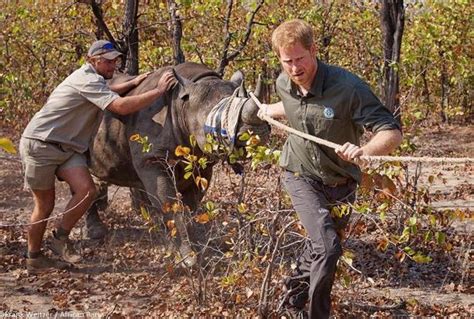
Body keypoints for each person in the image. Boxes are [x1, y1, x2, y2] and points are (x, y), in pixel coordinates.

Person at [259, 20, 403, 318]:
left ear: (314, 50)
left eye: (300, 59)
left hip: (341, 181)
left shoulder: (348, 87)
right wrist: (265, 111)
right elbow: (292, 105)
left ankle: (292, 300)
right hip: (299, 174)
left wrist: (365, 150)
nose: (295, 68)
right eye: (288, 62)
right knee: (327, 247)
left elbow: (391, 131)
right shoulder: (283, 83)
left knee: (322, 247)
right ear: (279, 59)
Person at [19, 40, 175, 274]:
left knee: (87, 190)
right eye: (108, 60)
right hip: (41, 145)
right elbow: (120, 107)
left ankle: (59, 239)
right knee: (45, 205)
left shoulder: (92, 79)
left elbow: (107, 92)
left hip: (67, 148)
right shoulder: (86, 78)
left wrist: (133, 82)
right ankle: (34, 258)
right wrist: (159, 90)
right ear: (93, 61)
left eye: (116, 60)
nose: (114, 64)